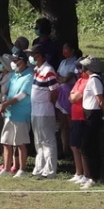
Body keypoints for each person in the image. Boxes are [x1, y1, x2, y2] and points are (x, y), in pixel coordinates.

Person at [73, 56, 104, 188]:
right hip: (89, 114)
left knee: (87, 147)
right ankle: (95, 176)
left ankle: (93, 177)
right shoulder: (91, 80)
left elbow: (100, 100)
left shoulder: (94, 80)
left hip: (94, 115)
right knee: (91, 147)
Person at [0, 52, 33, 177]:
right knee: (6, 142)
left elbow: (22, 95)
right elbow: (8, 91)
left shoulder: (29, 76)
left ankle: (22, 170)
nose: (13, 63)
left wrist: (6, 104)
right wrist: (3, 103)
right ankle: (6, 169)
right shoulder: (14, 75)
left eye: (15, 61)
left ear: (22, 61)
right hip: (9, 113)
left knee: (20, 143)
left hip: (21, 114)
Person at [28, 48, 60, 178]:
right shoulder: (37, 70)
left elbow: (54, 91)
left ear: (39, 56)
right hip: (35, 111)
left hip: (45, 110)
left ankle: (50, 170)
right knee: (38, 141)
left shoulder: (48, 71)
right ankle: (39, 168)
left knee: (47, 141)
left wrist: (49, 103)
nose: (30, 57)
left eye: (32, 55)